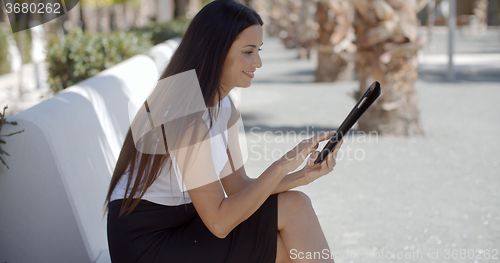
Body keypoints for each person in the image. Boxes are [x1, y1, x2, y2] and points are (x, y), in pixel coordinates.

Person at [104, 0, 343, 262]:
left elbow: (239, 186)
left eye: (258, 50)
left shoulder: (223, 105)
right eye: (249, 52)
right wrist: (280, 166)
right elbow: (219, 221)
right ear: (216, 50)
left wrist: (304, 175)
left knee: (295, 209)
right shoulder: (186, 116)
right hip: (147, 243)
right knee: (289, 232)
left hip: (185, 224)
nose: (259, 62)